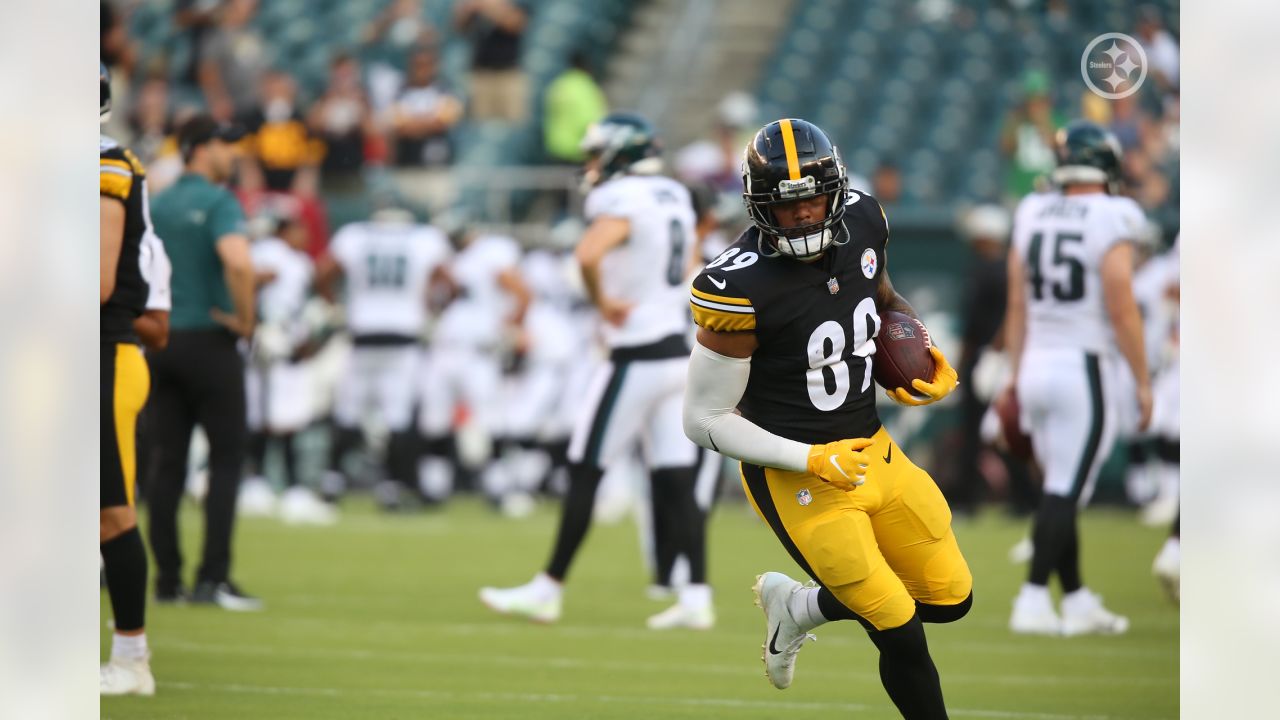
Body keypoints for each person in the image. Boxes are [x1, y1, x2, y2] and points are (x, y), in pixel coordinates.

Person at [681, 119, 970, 715]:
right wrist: (809, 458)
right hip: (799, 477)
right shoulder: (737, 285)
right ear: (761, 208)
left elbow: (882, 297)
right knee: (898, 626)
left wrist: (918, 346)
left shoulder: (863, 219)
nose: (806, 217)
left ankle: (799, 607)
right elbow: (703, 419)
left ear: (835, 191)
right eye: (790, 209)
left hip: (872, 450)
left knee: (948, 599)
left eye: (814, 200)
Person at [480, 114, 716, 630]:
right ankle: (697, 595)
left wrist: (602, 300)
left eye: (595, 154)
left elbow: (588, 254)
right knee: (677, 480)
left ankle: (547, 588)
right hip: (676, 351)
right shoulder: (674, 193)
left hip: (635, 354)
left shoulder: (619, 198)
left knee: (585, 467)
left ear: (618, 155)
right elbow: (691, 259)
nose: (589, 164)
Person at [1004, 120, 1150, 636]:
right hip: (1083, 365)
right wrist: (1143, 379)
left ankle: (1079, 599)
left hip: (1036, 365)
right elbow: (1121, 302)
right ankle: (1034, 597)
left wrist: (1013, 375)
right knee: (1066, 489)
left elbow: (1017, 302)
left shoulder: (1031, 209)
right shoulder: (1115, 214)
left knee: (1058, 487)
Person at [146, 113, 262, 611]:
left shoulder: (158, 199)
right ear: (197, 148)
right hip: (211, 343)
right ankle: (212, 579)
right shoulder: (218, 200)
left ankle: (167, 579)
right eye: (224, 144)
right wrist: (247, 320)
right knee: (226, 460)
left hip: (161, 341)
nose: (233, 153)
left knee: (165, 464)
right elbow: (237, 260)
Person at [315, 202, 452, 508]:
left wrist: (334, 307)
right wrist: (433, 310)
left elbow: (322, 272)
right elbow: (450, 282)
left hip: (363, 333)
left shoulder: (355, 235)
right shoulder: (424, 238)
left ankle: (332, 482)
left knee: (348, 410)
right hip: (403, 336)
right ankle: (392, 487)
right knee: (398, 416)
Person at [100, 61, 159, 696]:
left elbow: (95, 282)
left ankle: (132, 657)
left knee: (108, 514)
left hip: (101, 353)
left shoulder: (104, 163)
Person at [416, 225, 529, 506]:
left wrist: (510, 327)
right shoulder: (447, 261)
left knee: (490, 422)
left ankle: (499, 489)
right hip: (444, 349)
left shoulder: (490, 253)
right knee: (434, 423)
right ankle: (433, 489)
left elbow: (522, 293)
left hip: (479, 351)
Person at [242, 205, 336, 525]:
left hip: (272, 343)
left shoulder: (272, 253)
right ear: (283, 229)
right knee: (285, 420)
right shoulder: (276, 253)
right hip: (276, 344)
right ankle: (290, 490)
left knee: (265, 419)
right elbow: (255, 282)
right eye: (298, 228)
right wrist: (261, 324)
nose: (305, 235)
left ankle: (258, 485)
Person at [454, 0, 530, 122]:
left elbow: (516, 24)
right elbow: (460, 28)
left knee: (513, 124)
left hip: (508, 74)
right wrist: (466, 10)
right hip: (481, 74)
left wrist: (489, 8)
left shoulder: (514, 4)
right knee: (479, 124)